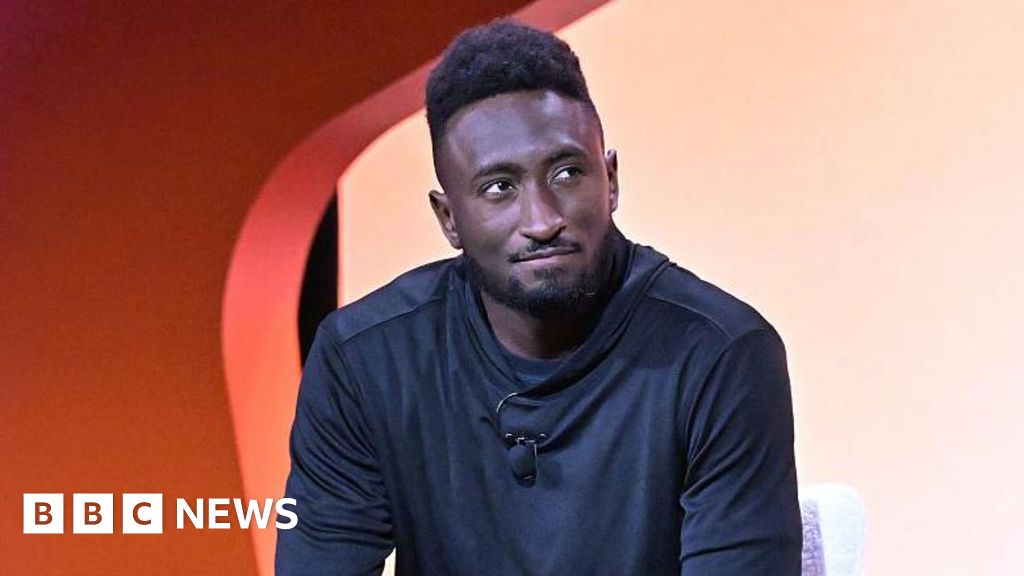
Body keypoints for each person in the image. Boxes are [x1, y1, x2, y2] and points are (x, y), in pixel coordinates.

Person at [276, 19, 801, 576]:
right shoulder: (364, 360)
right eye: (499, 188)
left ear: (610, 180)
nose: (542, 220)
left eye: (567, 173)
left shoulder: (720, 354)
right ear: (449, 218)